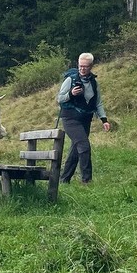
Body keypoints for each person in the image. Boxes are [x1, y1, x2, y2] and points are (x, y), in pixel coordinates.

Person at [56, 52, 111, 184]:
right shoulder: (70, 80)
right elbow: (59, 98)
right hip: (70, 118)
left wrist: (104, 120)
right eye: (80, 66)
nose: (82, 69)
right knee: (84, 146)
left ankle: (64, 180)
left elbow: (98, 103)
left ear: (91, 66)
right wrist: (71, 93)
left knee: (76, 150)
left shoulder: (94, 83)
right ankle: (87, 181)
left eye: (85, 66)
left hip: (85, 119)